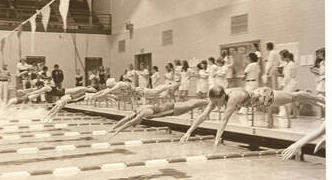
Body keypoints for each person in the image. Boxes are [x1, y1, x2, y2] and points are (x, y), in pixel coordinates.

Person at [180, 86, 325, 146]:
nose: (215, 105)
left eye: (216, 102)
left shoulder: (232, 98)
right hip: (258, 101)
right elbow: (203, 116)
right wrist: (188, 132)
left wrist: (217, 140)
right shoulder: (216, 98)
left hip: (264, 96)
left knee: (295, 96)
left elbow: (224, 121)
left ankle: (321, 99)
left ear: (221, 96)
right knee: (295, 97)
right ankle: (320, 102)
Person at [107, 98, 209, 140]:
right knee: (191, 103)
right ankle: (208, 101)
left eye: (137, 121)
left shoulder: (144, 112)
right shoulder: (137, 110)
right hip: (170, 106)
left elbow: (130, 122)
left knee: (192, 105)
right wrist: (113, 128)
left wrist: (117, 132)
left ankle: (209, 101)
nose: (138, 122)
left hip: (173, 109)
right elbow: (125, 120)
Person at [87, 78, 180, 102]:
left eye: (110, 86)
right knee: (158, 93)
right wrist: (93, 95)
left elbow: (107, 91)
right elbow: (105, 91)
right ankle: (168, 86)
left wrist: (97, 96)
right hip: (137, 95)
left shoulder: (120, 84)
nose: (110, 88)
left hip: (140, 91)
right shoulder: (116, 88)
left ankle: (170, 85)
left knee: (156, 92)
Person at [280, 51, 298, 118]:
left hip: (290, 83)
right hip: (291, 82)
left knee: (287, 99)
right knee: (292, 99)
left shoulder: (290, 65)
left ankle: (286, 114)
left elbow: (287, 77)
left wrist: (282, 85)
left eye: (283, 57)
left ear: (287, 57)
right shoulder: (290, 64)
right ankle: (294, 114)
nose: (282, 58)